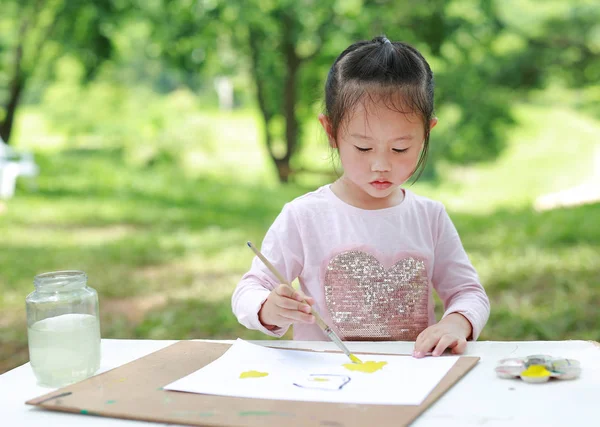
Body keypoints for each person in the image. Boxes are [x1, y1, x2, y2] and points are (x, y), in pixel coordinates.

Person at [232, 36, 490, 358]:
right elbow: (248, 289)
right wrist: (267, 308)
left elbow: (469, 293)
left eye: (400, 149)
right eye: (363, 148)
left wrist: (456, 323)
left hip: (410, 379)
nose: (381, 165)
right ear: (331, 133)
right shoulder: (305, 216)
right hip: (324, 379)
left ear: (427, 133)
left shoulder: (429, 217)